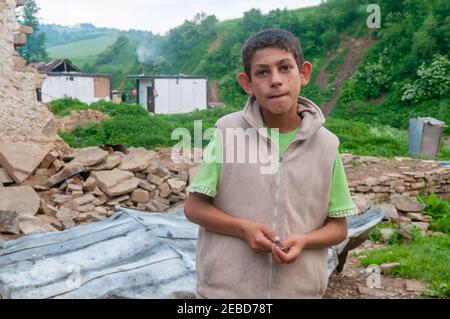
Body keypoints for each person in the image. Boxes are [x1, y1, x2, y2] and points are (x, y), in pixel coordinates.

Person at [184, 28, 358, 298]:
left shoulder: (326, 145)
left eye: (285, 68)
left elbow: (338, 227)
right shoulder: (227, 132)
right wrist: (244, 229)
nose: (275, 80)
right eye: (262, 72)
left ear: (304, 73)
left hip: (297, 291)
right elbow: (194, 208)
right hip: (225, 292)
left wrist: (304, 241)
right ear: (247, 83)